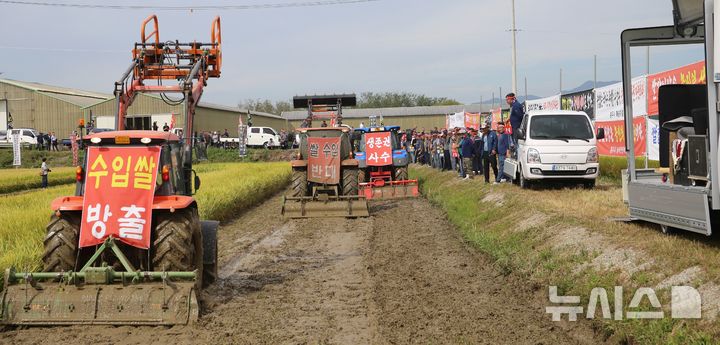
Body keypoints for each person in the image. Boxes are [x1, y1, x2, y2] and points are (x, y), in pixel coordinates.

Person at [507, 93, 524, 157]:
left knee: (516, 143)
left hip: (516, 127)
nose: (507, 101)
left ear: (512, 98)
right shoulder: (513, 106)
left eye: (508, 99)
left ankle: (517, 155)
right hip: (513, 127)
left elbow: (520, 116)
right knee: (513, 142)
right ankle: (515, 154)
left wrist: (516, 126)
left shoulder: (516, 105)